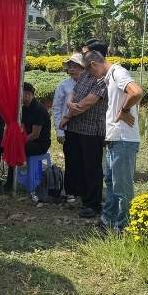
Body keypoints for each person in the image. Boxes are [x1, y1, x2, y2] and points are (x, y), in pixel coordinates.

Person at [84, 50, 143, 232]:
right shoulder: (110, 77)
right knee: (111, 182)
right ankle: (108, 220)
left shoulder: (118, 72)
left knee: (121, 187)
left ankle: (123, 226)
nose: (92, 76)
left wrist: (124, 111)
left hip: (124, 140)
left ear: (94, 64)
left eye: (90, 72)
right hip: (114, 139)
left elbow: (137, 92)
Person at [61, 39, 109, 219]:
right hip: (75, 126)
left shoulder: (103, 78)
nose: (83, 57)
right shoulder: (85, 74)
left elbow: (89, 101)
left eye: (85, 53)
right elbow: (74, 91)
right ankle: (80, 195)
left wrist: (70, 111)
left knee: (92, 167)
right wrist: (70, 103)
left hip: (91, 129)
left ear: (96, 56)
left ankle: (93, 203)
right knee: (76, 162)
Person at [51, 53, 85, 203]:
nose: (72, 69)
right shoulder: (64, 85)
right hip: (68, 127)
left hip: (85, 128)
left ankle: (83, 190)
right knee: (71, 160)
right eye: (70, 66)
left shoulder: (89, 84)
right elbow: (57, 108)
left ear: (83, 68)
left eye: (75, 66)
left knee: (85, 160)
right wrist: (59, 130)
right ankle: (70, 191)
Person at [20, 82, 51, 202]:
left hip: (40, 143)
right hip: (29, 140)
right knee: (3, 146)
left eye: (25, 94)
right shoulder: (23, 108)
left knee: (19, 148)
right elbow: (22, 128)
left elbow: (35, 134)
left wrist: (20, 143)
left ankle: (29, 181)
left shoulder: (38, 109)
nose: (23, 97)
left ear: (29, 95)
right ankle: (12, 179)